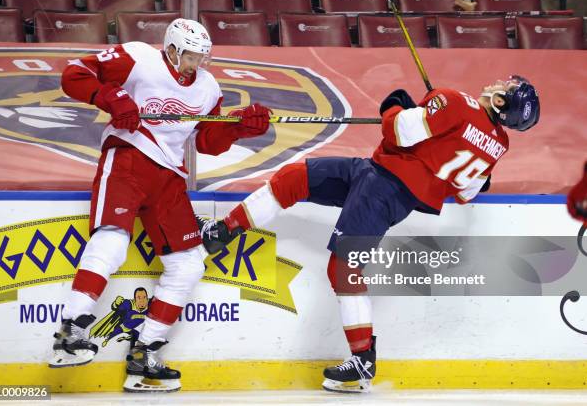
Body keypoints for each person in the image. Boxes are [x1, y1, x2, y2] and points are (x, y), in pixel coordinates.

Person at [199, 76, 540, 393]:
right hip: (376, 173)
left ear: (499, 101)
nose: (498, 82)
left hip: (385, 187)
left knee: (343, 268)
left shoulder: (454, 101)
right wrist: (439, 131)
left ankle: (362, 359)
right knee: (293, 178)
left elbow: (400, 133)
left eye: (506, 86)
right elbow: (466, 192)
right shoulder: (499, 145)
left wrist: (396, 106)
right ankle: (223, 231)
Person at [48, 18, 272, 393]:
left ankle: (145, 353)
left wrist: (237, 127)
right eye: (190, 56)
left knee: (187, 264)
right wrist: (111, 97)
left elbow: (207, 142)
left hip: (169, 176)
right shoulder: (138, 58)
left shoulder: (208, 87)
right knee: (113, 239)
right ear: (170, 48)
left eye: (202, 57)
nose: (196, 64)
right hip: (129, 157)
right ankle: (72, 329)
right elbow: (75, 73)